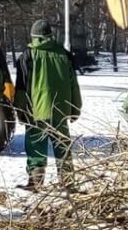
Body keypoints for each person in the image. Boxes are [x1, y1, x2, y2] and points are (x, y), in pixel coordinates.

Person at [15, 19, 81, 189]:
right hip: (60, 110)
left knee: (36, 146)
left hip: (36, 110)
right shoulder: (64, 54)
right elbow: (73, 83)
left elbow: (21, 87)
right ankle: (68, 183)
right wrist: (75, 107)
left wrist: (20, 110)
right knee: (62, 146)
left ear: (34, 36)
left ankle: (36, 182)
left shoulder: (27, 56)